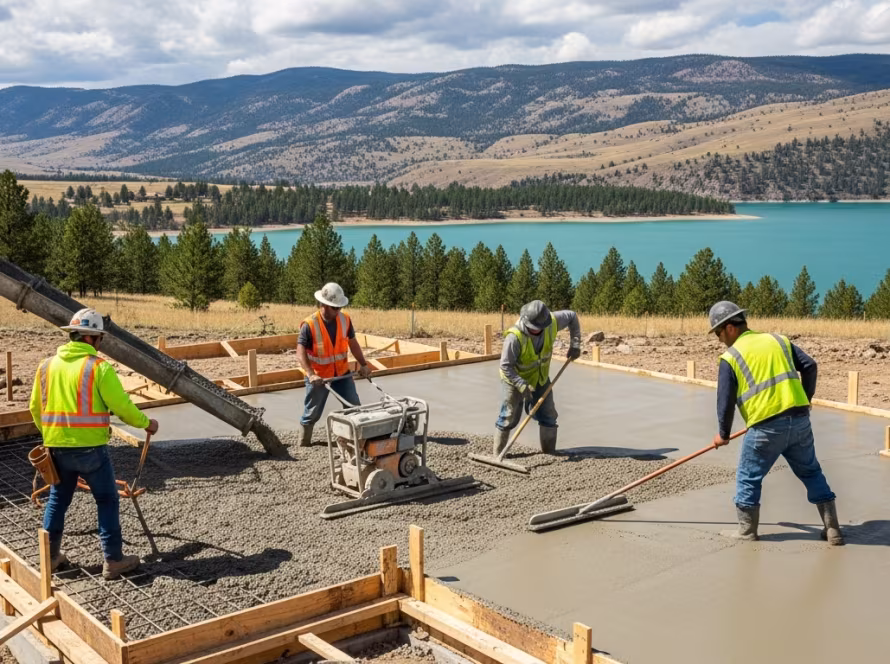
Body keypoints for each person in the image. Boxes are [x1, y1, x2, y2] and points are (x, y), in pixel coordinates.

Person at [29, 308, 160, 580]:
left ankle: (49, 557)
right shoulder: (98, 368)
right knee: (107, 500)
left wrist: (51, 436)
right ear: (91, 338)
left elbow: (34, 408)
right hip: (91, 451)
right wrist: (146, 423)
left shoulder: (46, 366)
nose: (101, 343)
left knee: (57, 499)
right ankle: (113, 560)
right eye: (100, 338)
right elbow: (122, 406)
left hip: (56, 449)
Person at [709, 300, 843, 545]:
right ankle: (833, 528)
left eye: (718, 333)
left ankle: (747, 531)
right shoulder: (778, 340)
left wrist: (723, 434)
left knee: (748, 477)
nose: (719, 339)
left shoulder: (731, 357)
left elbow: (725, 400)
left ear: (729, 327)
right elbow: (810, 365)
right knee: (811, 471)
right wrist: (805, 400)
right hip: (800, 421)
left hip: (765, 427)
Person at [495, 300, 581, 455]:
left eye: (539, 328)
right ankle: (498, 454)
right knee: (508, 417)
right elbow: (505, 366)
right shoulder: (514, 338)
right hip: (514, 379)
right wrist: (521, 384)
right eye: (533, 328)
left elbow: (572, 316)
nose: (536, 330)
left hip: (540, 377)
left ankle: (549, 453)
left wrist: (575, 344)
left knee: (548, 415)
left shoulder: (551, 322)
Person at [296, 282, 372, 446]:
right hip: (319, 377)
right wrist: (310, 374)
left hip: (342, 374)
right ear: (324, 304)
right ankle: (304, 443)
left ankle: (354, 441)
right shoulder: (309, 324)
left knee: (353, 406)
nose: (338, 311)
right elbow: (300, 351)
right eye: (335, 308)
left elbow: (353, 343)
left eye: (339, 307)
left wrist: (363, 364)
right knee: (312, 413)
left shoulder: (345, 319)